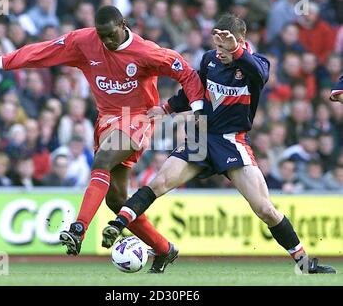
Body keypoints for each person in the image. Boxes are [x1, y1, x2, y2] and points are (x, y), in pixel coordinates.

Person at [0, 5, 204, 273]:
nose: (106, 41)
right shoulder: (83, 42)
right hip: (106, 118)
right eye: (101, 35)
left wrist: (196, 108)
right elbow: (41, 52)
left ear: (123, 25)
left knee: (102, 159)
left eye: (110, 35)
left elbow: (186, 72)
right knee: (116, 200)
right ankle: (165, 249)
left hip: (137, 116)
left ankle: (78, 228)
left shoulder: (146, 52)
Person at [102, 14, 336, 274]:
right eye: (217, 46)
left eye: (226, 47)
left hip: (232, 141)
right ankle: (118, 223)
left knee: (265, 209)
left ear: (241, 42)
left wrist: (235, 51)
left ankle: (305, 264)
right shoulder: (209, 60)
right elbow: (195, 90)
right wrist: (167, 108)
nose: (220, 52)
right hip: (202, 135)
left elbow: (258, 75)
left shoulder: (256, 64)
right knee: (159, 183)